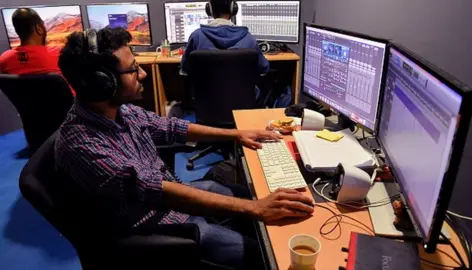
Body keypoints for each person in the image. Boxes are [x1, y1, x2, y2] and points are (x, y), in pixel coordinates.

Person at [55, 27, 314, 269]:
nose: (143, 74)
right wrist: (255, 209)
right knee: (267, 255)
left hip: (168, 198)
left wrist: (237, 134)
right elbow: (156, 190)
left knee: (248, 194)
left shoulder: (118, 111)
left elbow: (172, 128)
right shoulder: (83, 144)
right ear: (103, 83)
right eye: (133, 70)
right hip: (156, 230)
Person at [180, 0, 269, 100]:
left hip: (207, 102)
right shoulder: (248, 38)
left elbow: (185, 68)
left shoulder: (197, 36)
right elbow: (264, 67)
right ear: (233, 10)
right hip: (242, 102)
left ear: (209, 10)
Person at [0, 8, 75, 96]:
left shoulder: (4, 59)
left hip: (29, 109)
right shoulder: (59, 53)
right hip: (72, 108)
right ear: (39, 28)